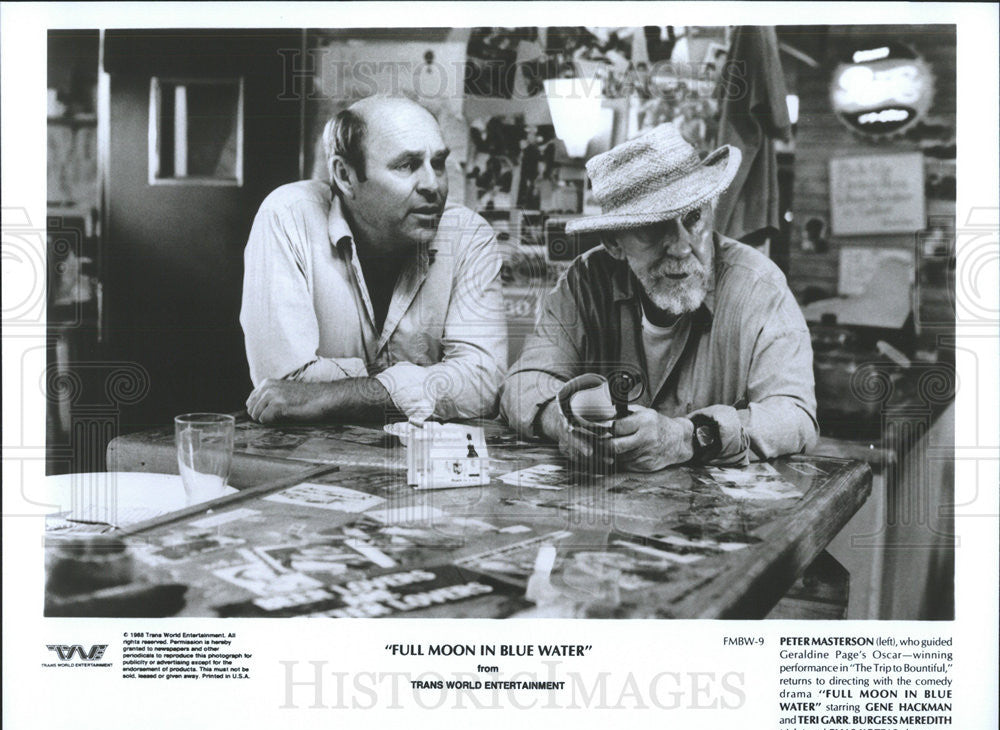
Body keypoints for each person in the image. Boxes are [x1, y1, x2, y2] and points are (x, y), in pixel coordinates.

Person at [500, 123, 817, 471]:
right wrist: (559, 422)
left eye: (693, 217)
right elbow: (522, 385)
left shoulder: (759, 287)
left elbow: (795, 416)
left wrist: (689, 437)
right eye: (653, 227)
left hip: (713, 520)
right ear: (613, 243)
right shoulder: (584, 282)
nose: (681, 247)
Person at [241, 97, 506, 424]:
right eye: (407, 165)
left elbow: (482, 384)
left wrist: (334, 393)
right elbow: (283, 388)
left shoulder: (468, 235)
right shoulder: (287, 217)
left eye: (437, 163)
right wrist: (426, 383)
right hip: (312, 455)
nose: (433, 185)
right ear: (345, 175)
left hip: (426, 463)